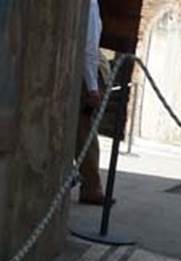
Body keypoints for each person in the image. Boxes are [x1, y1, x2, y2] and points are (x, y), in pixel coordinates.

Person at [76, 0, 105, 205]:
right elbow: (89, 48)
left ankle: (90, 185)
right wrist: (93, 87)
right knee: (86, 136)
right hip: (84, 81)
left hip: (83, 77)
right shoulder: (90, 5)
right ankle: (91, 187)